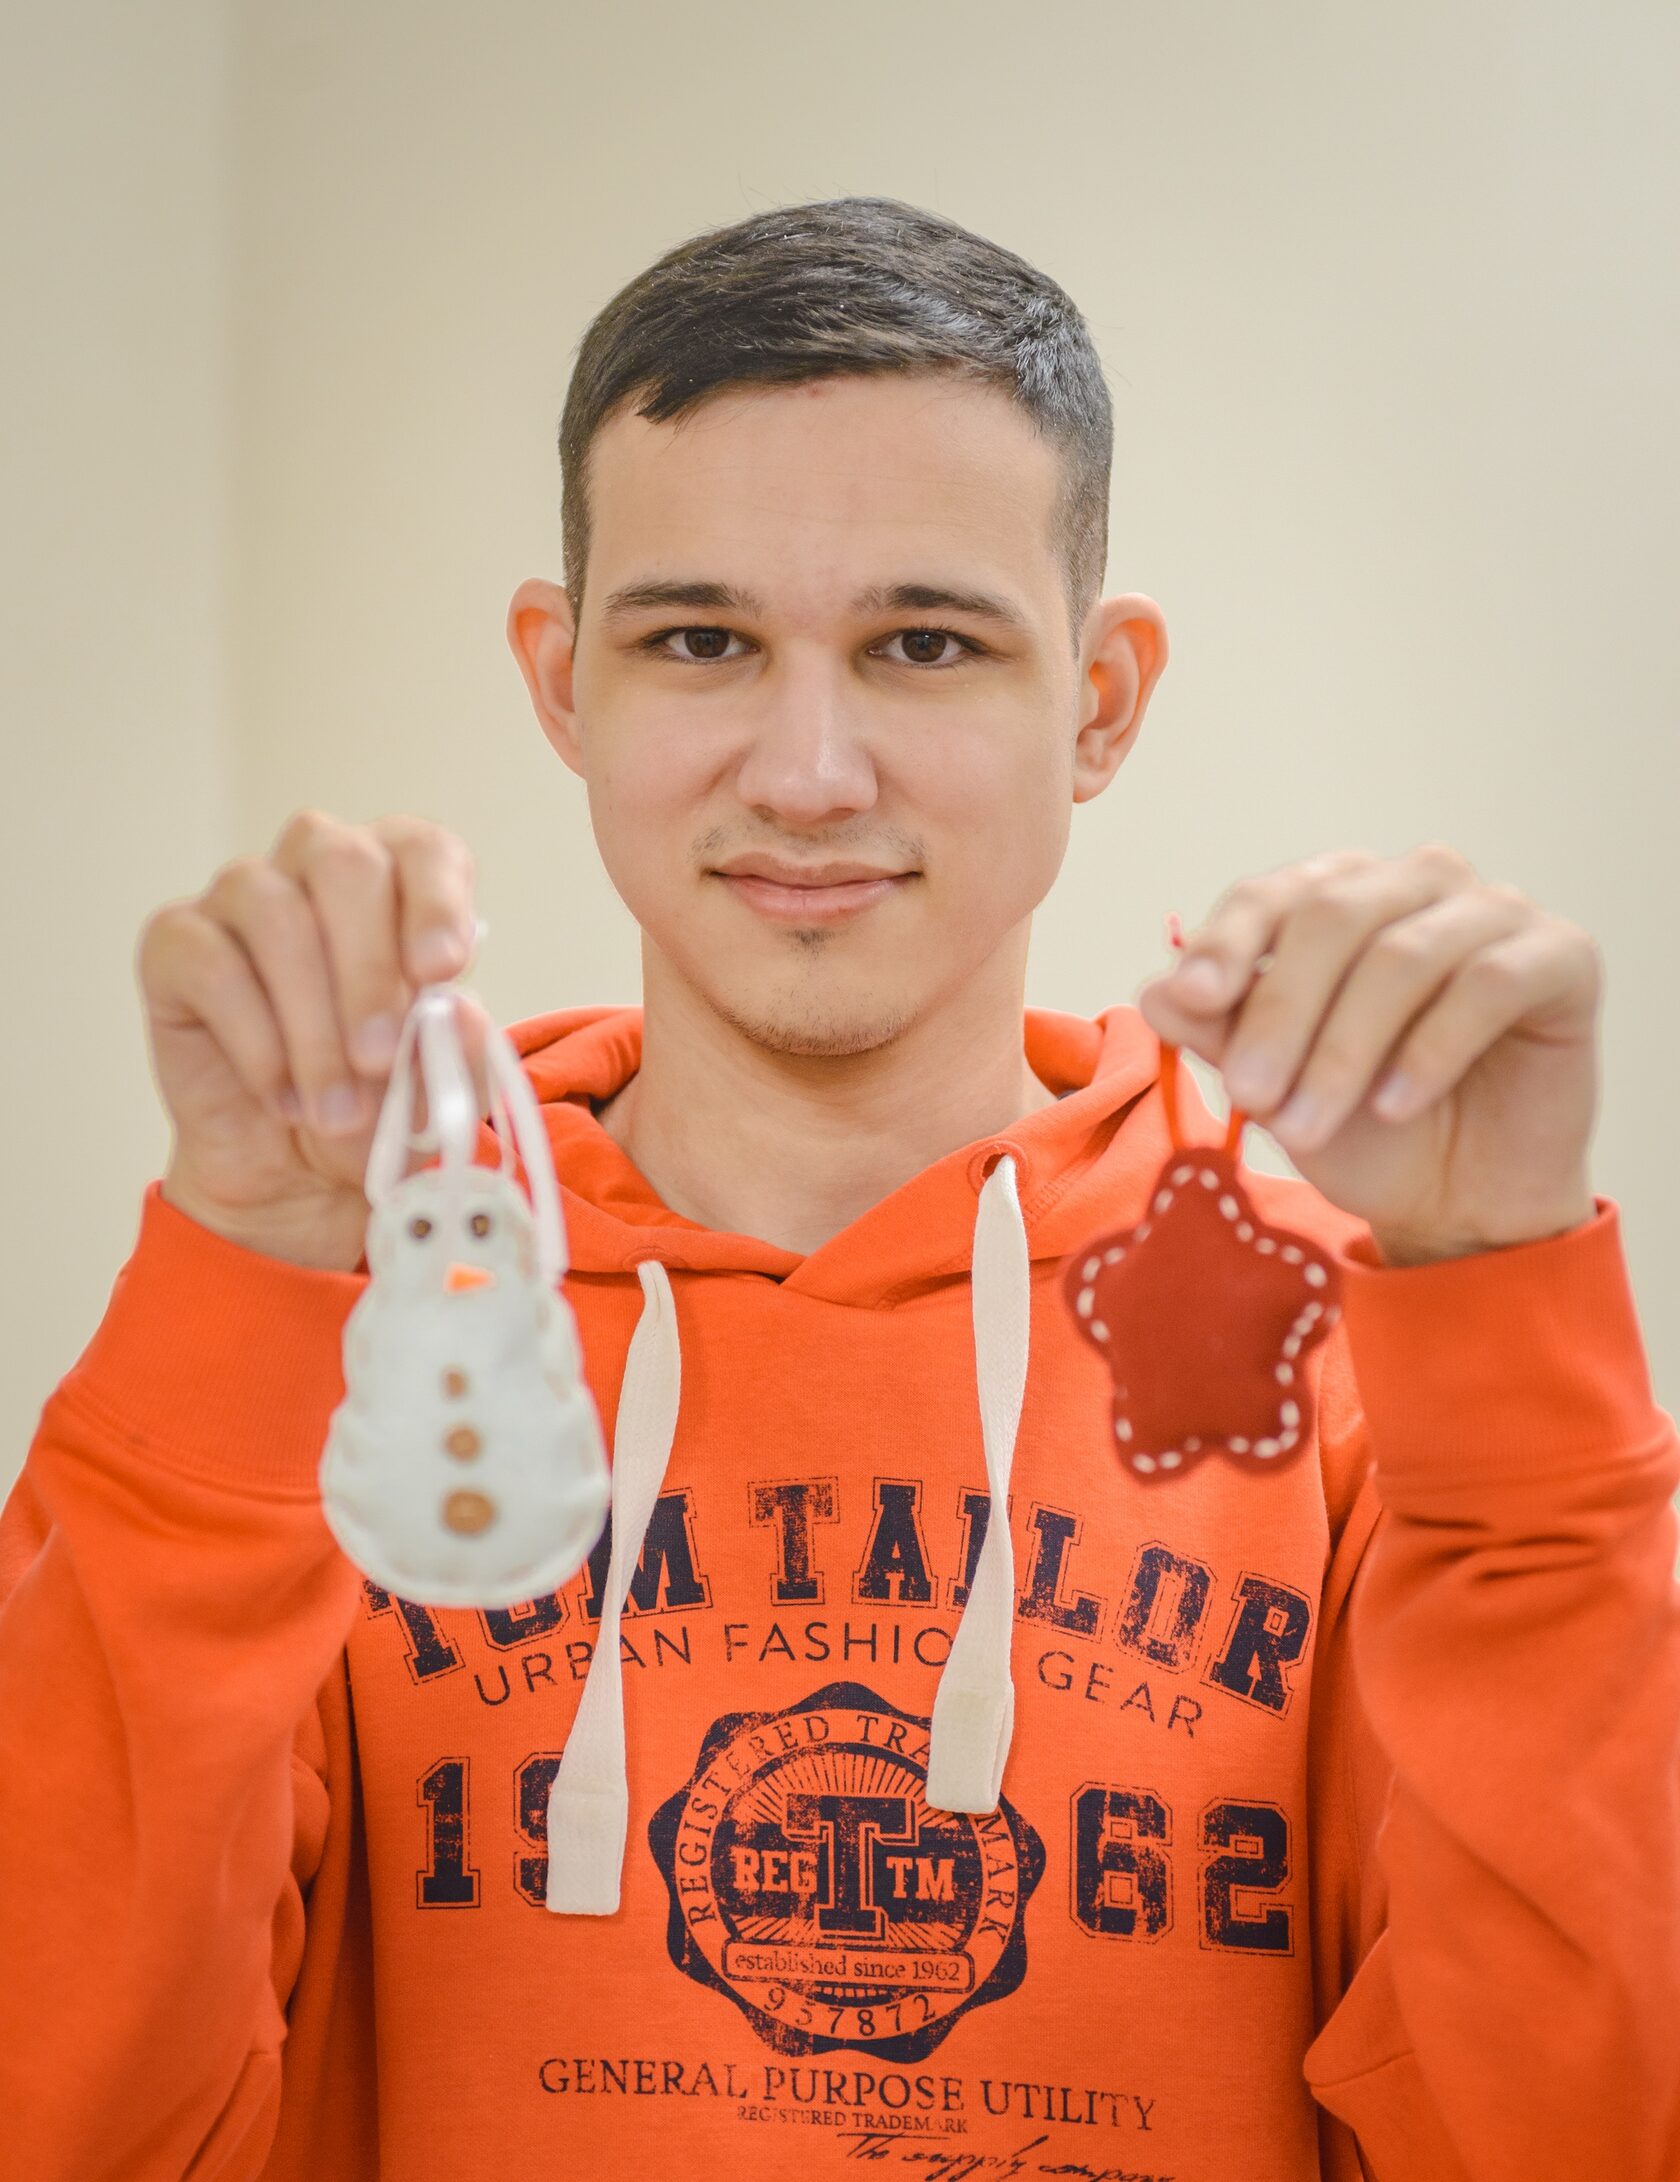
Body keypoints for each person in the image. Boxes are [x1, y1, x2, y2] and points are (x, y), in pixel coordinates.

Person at [2, 194, 1675, 2182]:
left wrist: (1501, 1317)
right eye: (701, 639)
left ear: (1101, 701)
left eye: (924, 642)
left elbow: (1569, 2132)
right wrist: (242, 1276)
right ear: (564, 680)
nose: (807, 774)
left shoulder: (1351, 1348)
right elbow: (69, 2117)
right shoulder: (346, 1318)